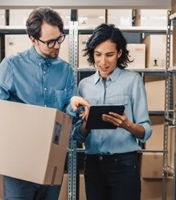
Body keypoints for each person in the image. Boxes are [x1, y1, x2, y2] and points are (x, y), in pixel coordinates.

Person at [0, 7, 90, 200]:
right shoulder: (12, 66)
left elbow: (65, 118)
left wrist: (72, 104)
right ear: (32, 39)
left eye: (59, 38)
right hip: (18, 166)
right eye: (50, 42)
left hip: (51, 163)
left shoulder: (65, 71)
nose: (57, 46)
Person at [70, 23, 152, 200]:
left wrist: (128, 125)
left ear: (119, 53)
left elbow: (146, 131)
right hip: (93, 165)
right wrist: (86, 123)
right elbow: (77, 136)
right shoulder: (84, 86)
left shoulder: (133, 81)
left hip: (124, 164)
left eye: (110, 55)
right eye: (98, 55)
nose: (103, 62)